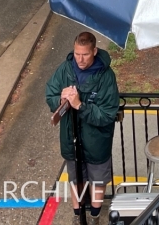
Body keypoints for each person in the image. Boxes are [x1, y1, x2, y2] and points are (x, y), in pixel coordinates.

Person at [45, 31, 120, 225]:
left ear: (94, 51)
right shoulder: (65, 69)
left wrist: (80, 105)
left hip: (97, 140)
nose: (80, 59)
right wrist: (61, 100)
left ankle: (94, 216)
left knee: (97, 179)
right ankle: (78, 214)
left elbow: (107, 114)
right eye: (77, 53)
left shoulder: (106, 76)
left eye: (85, 54)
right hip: (71, 138)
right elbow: (50, 93)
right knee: (75, 177)